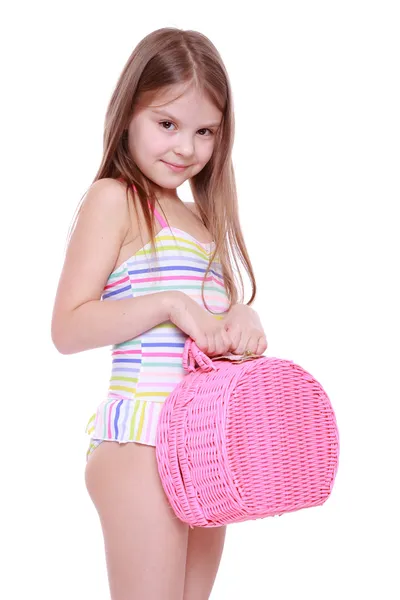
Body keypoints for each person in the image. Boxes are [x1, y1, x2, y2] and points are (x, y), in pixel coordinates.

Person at [51, 27, 267, 600]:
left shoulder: (202, 223)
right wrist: (170, 304)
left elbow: (207, 346)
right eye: (167, 123)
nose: (185, 147)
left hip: (205, 445)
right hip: (140, 443)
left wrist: (241, 317)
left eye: (205, 132)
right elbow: (68, 327)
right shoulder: (116, 199)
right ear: (129, 114)